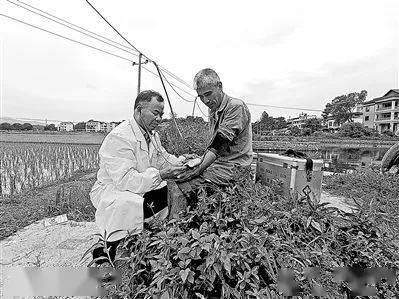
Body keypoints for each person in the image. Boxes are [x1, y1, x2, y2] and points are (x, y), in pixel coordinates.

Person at [90, 90, 189, 263]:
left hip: (139, 185)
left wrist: (182, 162)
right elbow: (125, 180)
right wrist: (162, 174)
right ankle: (103, 251)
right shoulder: (119, 137)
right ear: (138, 111)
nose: (159, 119)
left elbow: (163, 158)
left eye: (161, 114)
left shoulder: (152, 135)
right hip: (115, 191)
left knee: (166, 192)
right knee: (126, 205)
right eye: (155, 113)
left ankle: (142, 237)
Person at [176, 68, 253, 198]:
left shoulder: (235, 106)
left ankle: (179, 218)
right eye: (201, 97)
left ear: (220, 86)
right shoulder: (213, 110)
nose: (205, 101)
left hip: (233, 169)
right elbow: (213, 146)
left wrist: (198, 170)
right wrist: (198, 159)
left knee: (180, 183)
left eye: (208, 94)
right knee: (179, 169)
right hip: (219, 165)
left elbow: (219, 144)